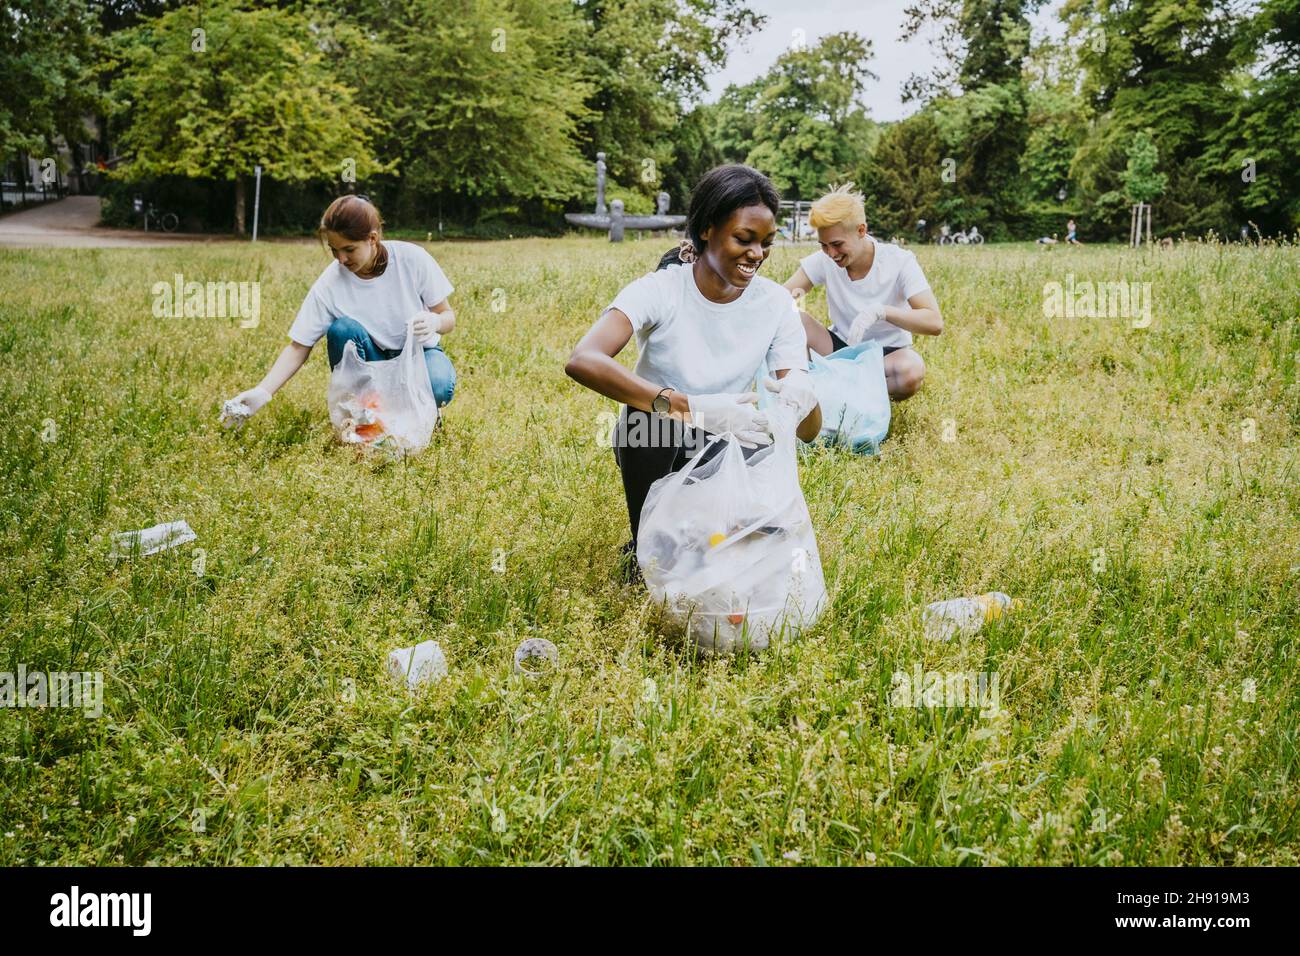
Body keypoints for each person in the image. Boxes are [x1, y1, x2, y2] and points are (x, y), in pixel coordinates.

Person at [565, 164, 822, 566]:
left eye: (766, 242)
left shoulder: (775, 305)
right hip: (657, 443)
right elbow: (584, 360)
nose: (757, 254)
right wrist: (689, 407)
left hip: (732, 445)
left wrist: (803, 396)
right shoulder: (663, 290)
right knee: (646, 422)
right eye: (744, 238)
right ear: (706, 229)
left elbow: (808, 432)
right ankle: (644, 547)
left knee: (753, 545)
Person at [223, 194, 457, 426]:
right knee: (342, 329)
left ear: (372, 239)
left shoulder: (412, 259)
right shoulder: (330, 283)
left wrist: (434, 322)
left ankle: (419, 410)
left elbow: (448, 317)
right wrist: (262, 392)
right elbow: (298, 346)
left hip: (417, 356)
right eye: (334, 250)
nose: (341, 259)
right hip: (372, 364)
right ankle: (366, 413)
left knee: (438, 385)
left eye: (349, 249)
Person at [783, 183, 943, 400]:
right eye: (824, 245)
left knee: (911, 370)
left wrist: (882, 311)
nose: (831, 253)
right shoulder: (825, 259)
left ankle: (842, 392)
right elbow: (784, 297)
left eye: (837, 244)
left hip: (887, 355)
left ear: (861, 230)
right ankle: (804, 397)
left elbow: (934, 322)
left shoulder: (900, 261)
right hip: (840, 350)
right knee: (795, 320)